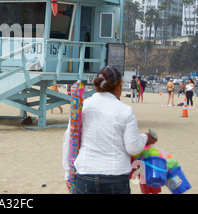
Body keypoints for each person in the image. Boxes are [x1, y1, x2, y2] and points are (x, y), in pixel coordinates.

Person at [63, 66, 157, 194]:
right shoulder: (125, 110)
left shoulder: (83, 106)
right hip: (115, 175)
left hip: (85, 173)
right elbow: (133, 147)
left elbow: (70, 138)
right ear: (118, 86)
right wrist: (145, 137)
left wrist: (68, 173)